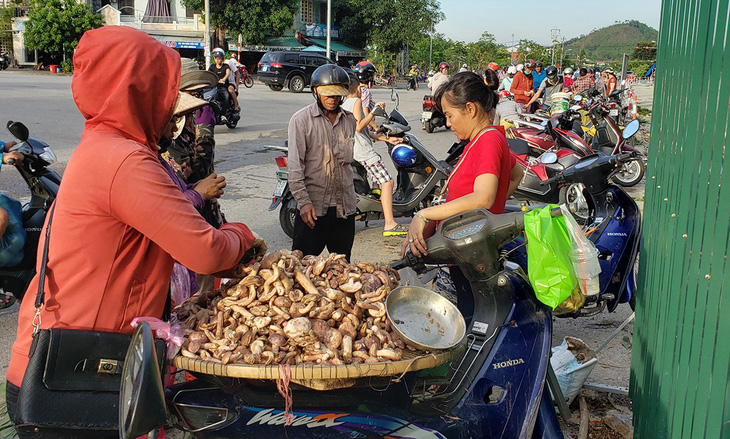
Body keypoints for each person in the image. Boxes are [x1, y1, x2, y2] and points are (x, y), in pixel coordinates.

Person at [5, 27, 262, 436]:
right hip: (76, 375)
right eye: (164, 92)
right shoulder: (125, 161)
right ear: (139, 92)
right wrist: (243, 236)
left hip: (74, 362)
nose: (171, 109)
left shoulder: (103, 145)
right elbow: (207, 252)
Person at [401, 72, 522, 320]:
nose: (447, 123)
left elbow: (482, 198)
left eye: (449, 115)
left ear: (470, 109)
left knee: (459, 322)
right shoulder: (484, 139)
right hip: (463, 248)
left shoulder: (488, 140)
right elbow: (515, 175)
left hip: (468, 253)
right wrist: (491, 215)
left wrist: (425, 214)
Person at [287, 64, 358, 261]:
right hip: (313, 210)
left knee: (342, 269)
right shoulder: (300, 121)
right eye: (327, 93)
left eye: (337, 94)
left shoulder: (350, 120)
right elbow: (294, 167)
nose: (332, 99)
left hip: (344, 210)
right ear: (315, 91)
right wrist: (303, 202)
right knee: (301, 268)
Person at [341, 75, 407, 237]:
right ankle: (390, 223)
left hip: (356, 150)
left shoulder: (344, 104)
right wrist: (374, 112)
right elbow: (358, 126)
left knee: (382, 181)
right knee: (387, 182)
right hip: (364, 152)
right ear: (358, 88)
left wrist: (388, 138)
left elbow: (365, 131)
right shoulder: (356, 102)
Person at [208, 47, 239, 112]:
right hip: (216, 85)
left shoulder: (227, 64)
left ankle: (235, 106)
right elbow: (208, 74)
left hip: (229, 83)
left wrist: (236, 85)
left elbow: (231, 73)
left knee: (228, 93)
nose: (217, 60)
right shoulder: (212, 66)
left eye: (219, 58)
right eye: (215, 57)